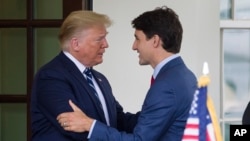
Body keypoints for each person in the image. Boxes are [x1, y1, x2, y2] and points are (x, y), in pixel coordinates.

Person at [57, 6, 198, 141]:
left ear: (155, 41)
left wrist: (90, 125)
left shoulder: (166, 85)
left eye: (137, 38)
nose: (134, 46)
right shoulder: (185, 76)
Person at [30, 10, 139, 141]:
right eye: (100, 39)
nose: (106, 44)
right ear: (76, 44)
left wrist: (158, 114)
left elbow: (118, 121)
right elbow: (75, 130)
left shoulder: (99, 79)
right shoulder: (51, 76)